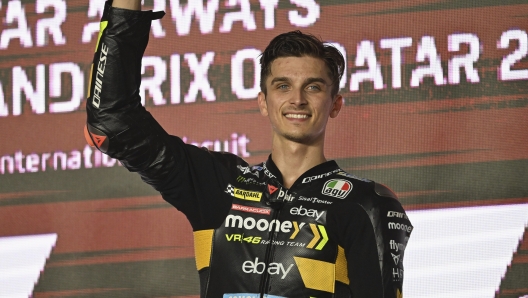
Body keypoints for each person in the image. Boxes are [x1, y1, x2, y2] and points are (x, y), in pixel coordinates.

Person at [84, 0, 412, 297]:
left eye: (312, 87)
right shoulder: (217, 184)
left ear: (335, 104)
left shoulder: (366, 203)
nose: (297, 99)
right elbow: (111, 123)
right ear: (263, 102)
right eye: (282, 86)